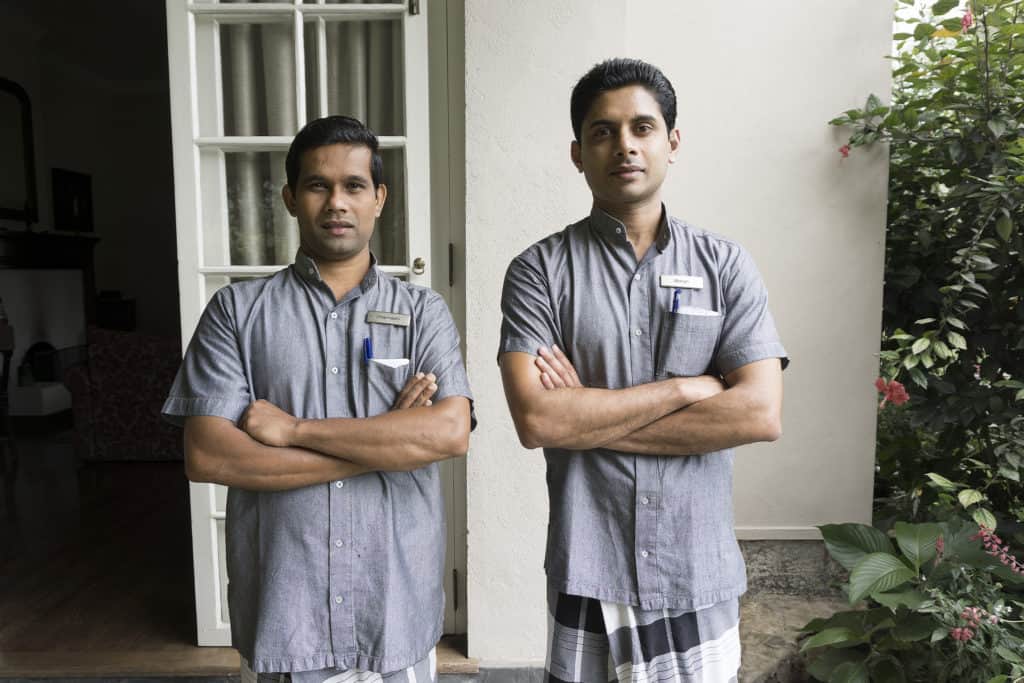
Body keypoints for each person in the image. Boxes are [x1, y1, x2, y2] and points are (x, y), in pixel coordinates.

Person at [498, 59, 788, 683]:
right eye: (602, 131)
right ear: (578, 153)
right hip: (588, 563)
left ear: (671, 143)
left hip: (695, 568)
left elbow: (759, 413)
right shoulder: (538, 272)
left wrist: (586, 417)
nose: (624, 144)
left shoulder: (726, 265)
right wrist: (686, 390)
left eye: (642, 127)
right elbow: (538, 419)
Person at [163, 115, 473, 682]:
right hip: (288, 616)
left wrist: (292, 431)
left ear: (379, 198)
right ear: (289, 197)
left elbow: (448, 434)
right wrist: (388, 440)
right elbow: (209, 455)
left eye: (354, 186)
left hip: (394, 612)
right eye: (317, 185)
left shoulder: (422, 312)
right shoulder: (235, 313)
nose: (337, 202)